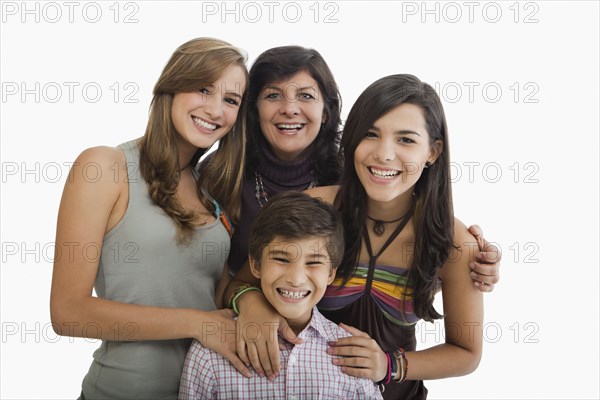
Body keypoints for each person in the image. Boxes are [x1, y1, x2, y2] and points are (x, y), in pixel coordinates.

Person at [222, 46, 500, 381]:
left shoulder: (453, 242)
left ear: (432, 152)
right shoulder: (316, 207)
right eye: (370, 134)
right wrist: (251, 303)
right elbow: (240, 281)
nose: (384, 154)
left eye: (406, 140)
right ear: (352, 139)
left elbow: (466, 353)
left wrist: (390, 365)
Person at [49, 37, 252, 399]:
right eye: (203, 89)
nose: (216, 110)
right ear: (171, 87)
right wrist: (196, 323)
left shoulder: (212, 190)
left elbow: (220, 299)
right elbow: (68, 312)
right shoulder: (104, 166)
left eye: (231, 100)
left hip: (206, 389)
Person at [179, 191, 383, 399]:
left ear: (331, 274)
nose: (295, 279)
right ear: (256, 265)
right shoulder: (212, 351)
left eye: (313, 262)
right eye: (281, 259)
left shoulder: (352, 355)